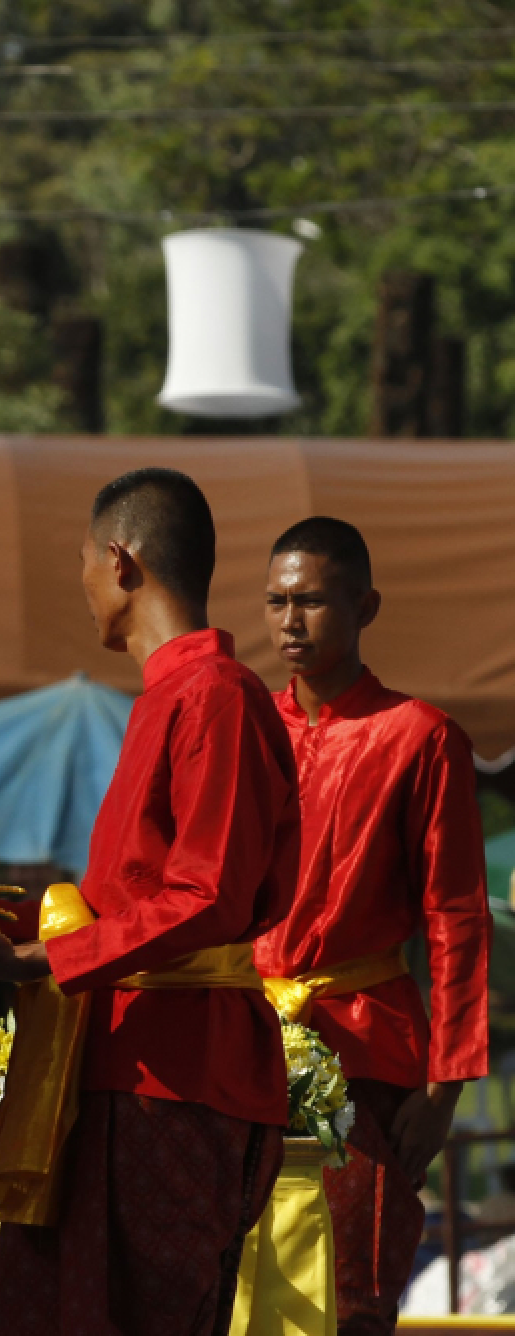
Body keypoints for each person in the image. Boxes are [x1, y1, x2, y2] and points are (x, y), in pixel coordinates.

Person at [0, 468, 299, 1336]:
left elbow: (207, 895)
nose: (84, 583)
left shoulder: (218, 695)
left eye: (86, 562)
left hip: (177, 1071)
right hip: (115, 1060)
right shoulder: (168, 696)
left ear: (121, 562)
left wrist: (33, 959)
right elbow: (117, 899)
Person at [256, 517, 489, 1336]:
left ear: (365, 606)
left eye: (312, 601)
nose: (290, 621)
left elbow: (456, 918)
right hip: (241, 1044)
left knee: (351, 1286)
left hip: (365, 1049)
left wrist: (446, 1085)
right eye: (277, 602)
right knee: (235, 1283)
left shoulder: (421, 737)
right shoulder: (247, 731)